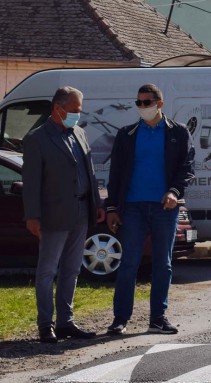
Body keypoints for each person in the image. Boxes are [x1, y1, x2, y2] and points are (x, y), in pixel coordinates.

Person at [105, 84, 194, 335]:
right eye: (139, 103)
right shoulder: (127, 134)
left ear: (159, 104)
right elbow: (115, 173)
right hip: (133, 208)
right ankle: (120, 319)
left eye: (147, 102)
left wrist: (174, 192)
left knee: (162, 264)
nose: (142, 107)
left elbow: (187, 168)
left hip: (165, 208)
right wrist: (111, 208)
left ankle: (158, 318)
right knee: (129, 263)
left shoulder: (179, 132)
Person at [21, 87, 104, 343]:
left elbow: (89, 173)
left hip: (81, 210)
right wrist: (32, 216)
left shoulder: (80, 133)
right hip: (53, 214)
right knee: (48, 271)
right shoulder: (37, 138)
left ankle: (66, 322)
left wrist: (97, 203)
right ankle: (46, 325)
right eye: (75, 110)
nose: (78, 115)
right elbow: (31, 182)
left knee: (72, 269)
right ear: (58, 108)